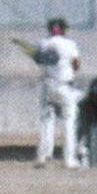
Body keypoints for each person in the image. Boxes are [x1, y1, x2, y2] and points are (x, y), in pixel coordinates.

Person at [34, 17, 82, 169]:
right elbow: (76, 64)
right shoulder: (70, 44)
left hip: (48, 85)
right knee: (68, 122)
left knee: (46, 122)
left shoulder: (43, 43)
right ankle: (69, 160)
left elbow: (38, 60)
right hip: (65, 85)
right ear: (63, 29)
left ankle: (43, 157)